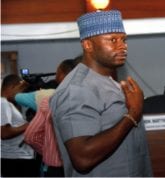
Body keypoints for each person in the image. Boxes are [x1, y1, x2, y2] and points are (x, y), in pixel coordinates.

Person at [49, 10, 152, 177]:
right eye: (112, 40)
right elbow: (83, 158)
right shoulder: (76, 90)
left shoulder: (109, 82)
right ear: (88, 45)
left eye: (123, 40)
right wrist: (133, 114)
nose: (122, 46)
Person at [23, 58, 79, 177]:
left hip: (55, 169)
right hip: (83, 168)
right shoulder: (88, 99)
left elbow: (30, 136)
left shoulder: (49, 101)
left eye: (57, 73)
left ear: (62, 74)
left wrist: (48, 151)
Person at [1, 74, 39, 177]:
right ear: (12, 87)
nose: (21, 95)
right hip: (16, 159)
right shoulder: (3, 103)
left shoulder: (7, 104)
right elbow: (4, 133)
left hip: (18, 157)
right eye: (20, 90)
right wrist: (30, 124)